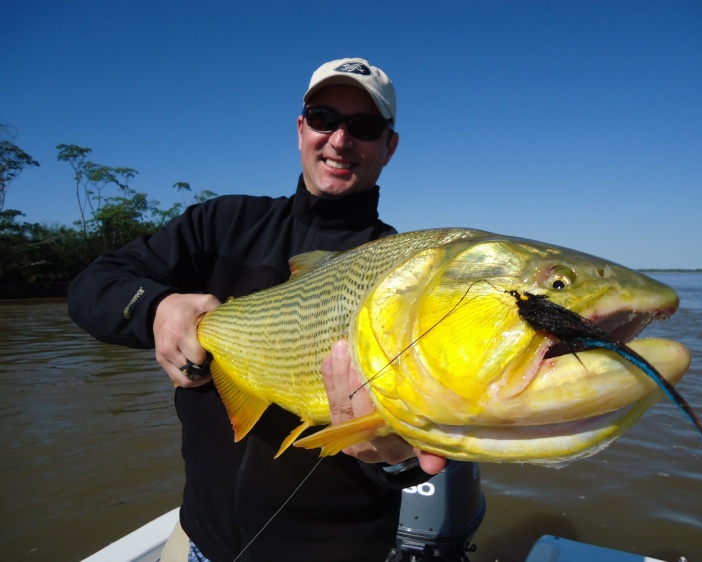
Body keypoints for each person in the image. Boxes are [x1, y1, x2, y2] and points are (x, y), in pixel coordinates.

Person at [68, 57, 446, 562]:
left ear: (389, 146)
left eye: (364, 126)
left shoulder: (410, 277)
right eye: (323, 118)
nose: (339, 139)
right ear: (300, 129)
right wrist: (156, 307)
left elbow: (413, 459)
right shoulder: (222, 222)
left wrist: (396, 460)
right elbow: (92, 286)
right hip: (203, 540)